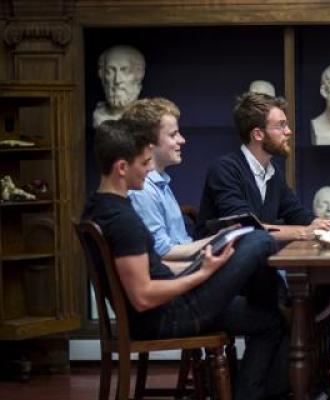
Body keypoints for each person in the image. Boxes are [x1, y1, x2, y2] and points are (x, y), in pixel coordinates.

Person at [83, 119, 288, 400]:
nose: (149, 169)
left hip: (168, 304)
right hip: (169, 315)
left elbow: (147, 272)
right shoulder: (123, 221)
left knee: (273, 313)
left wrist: (199, 267)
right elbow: (143, 296)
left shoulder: (96, 207)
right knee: (259, 240)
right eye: (144, 163)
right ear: (121, 168)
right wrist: (201, 274)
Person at [196, 92, 330, 399]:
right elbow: (244, 227)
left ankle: (309, 382)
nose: (289, 131)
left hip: (258, 276)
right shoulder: (225, 168)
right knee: (283, 308)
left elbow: (300, 214)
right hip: (225, 282)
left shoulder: (271, 173)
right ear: (258, 134)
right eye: (281, 126)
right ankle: (261, 391)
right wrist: (306, 232)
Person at [123, 97, 215, 261]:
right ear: (149, 143)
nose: (182, 140)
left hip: (190, 267)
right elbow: (162, 252)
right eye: (173, 135)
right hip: (179, 278)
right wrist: (214, 242)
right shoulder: (142, 190)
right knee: (256, 245)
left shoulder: (159, 183)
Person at [94, 45, 145, 127]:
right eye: (110, 71)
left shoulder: (145, 119)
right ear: (102, 75)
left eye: (125, 70)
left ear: (139, 74)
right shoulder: (99, 117)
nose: (117, 80)